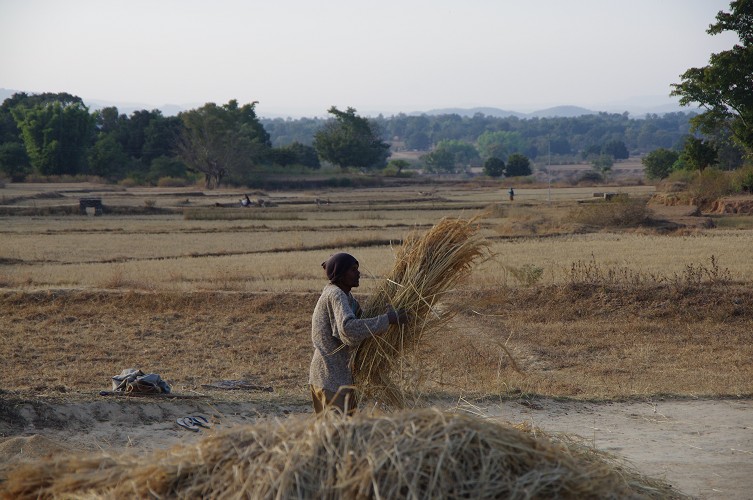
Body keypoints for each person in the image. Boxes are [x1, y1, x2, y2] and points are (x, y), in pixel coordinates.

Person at [308, 252, 406, 416]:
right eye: (353, 270)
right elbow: (348, 329)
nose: (358, 273)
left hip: (336, 377)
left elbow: (362, 319)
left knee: (340, 433)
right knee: (336, 435)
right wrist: (387, 319)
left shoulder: (346, 297)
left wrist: (386, 312)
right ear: (340, 274)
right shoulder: (336, 294)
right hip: (330, 377)